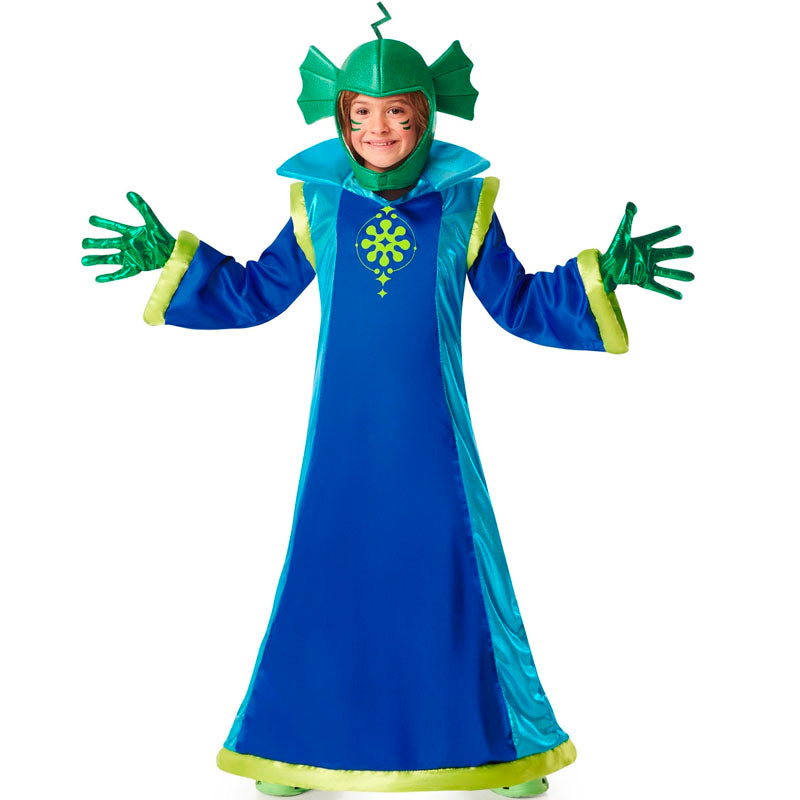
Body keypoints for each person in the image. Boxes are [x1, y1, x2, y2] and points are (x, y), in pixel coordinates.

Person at [82, 7, 693, 798]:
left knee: (454, 573)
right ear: (340, 118)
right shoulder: (319, 204)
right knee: (326, 572)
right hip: (341, 436)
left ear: (427, 114)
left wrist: (599, 279)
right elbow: (257, 291)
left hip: (432, 436)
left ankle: (495, 747)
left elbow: (518, 301)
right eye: (362, 114)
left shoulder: (465, 206)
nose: (379, 129)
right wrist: (174, 260)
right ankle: (295, 745)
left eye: (398, 112)